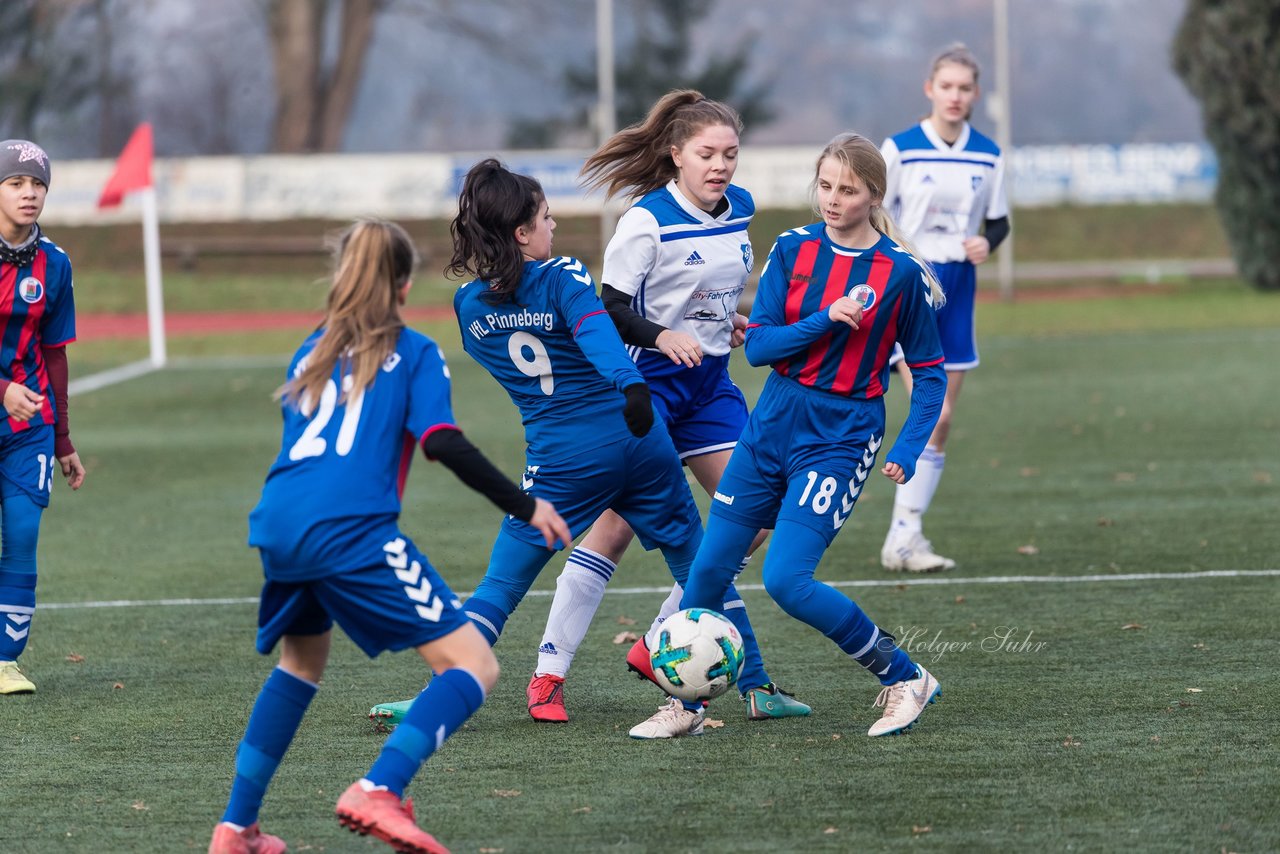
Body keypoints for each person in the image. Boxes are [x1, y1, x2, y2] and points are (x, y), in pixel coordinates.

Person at [369, 158, 784, 740]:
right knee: (700, 566)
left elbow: (530, 368)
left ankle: (441, 696)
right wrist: (632, 387)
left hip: (561, 462)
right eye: (545, 216)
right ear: (521, 233)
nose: (554, 225)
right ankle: (757, 684)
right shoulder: (563, 276)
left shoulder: (468, 307)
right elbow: (598, 333)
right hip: (639, 443)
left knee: (500, 588)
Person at [208, 219, 570, 854]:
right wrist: (525, 504)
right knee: (474, 665)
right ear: (404, 286)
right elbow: (441, 442)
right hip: (349, 530)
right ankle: (380, 787)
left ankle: (236, 829)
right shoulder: (417, 351)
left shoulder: (312, 348)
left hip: (279, 521)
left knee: (301, 663)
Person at [524, 90, 809, 728]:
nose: (721, 165)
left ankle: (659, 641)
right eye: (707, 153)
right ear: (677, 154)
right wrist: (661, 335)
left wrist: (722, 320)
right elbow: (610, 305)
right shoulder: (645, 221)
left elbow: (709, 288)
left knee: (760, 511)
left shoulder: (740, 208)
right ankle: (547, 676)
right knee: (613, 533)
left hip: (708, 385)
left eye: (731, 154)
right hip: (645, 386)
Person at [677, 132, 947, 738]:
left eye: (847, 190)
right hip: (773, 420)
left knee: (786, 580)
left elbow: (929, 378)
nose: (832, 199)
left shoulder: (900, 274)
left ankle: (905, 677)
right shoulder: (793, 249)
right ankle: (687, 704)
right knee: (709, 567)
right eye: (825, 185)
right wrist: (828, 319)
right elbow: (762, 348)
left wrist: (907, 447)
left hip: (842, 434)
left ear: (874, 195)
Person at [878, 43, 1011, 572]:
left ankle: (904, 535)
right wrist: (899, 255)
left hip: (958, 288)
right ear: (929, 89)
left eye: (964, 88)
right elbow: (874, 212)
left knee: (941, 419)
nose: (955, 96)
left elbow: (997, 222)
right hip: (909, 287)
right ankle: (903, 536)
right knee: (936, 411)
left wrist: (987, 244)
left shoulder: (988, 154)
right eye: (946, 86)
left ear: (975, 94)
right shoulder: (901, 149)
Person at [0, 140, 86, 697]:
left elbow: (54, 353)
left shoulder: (54, 264)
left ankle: (5, 661)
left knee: (23, 533)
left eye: (37, 185)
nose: (29, 193)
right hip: (10, 399)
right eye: (15, 183)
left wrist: (63, 437)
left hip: (26, 427)